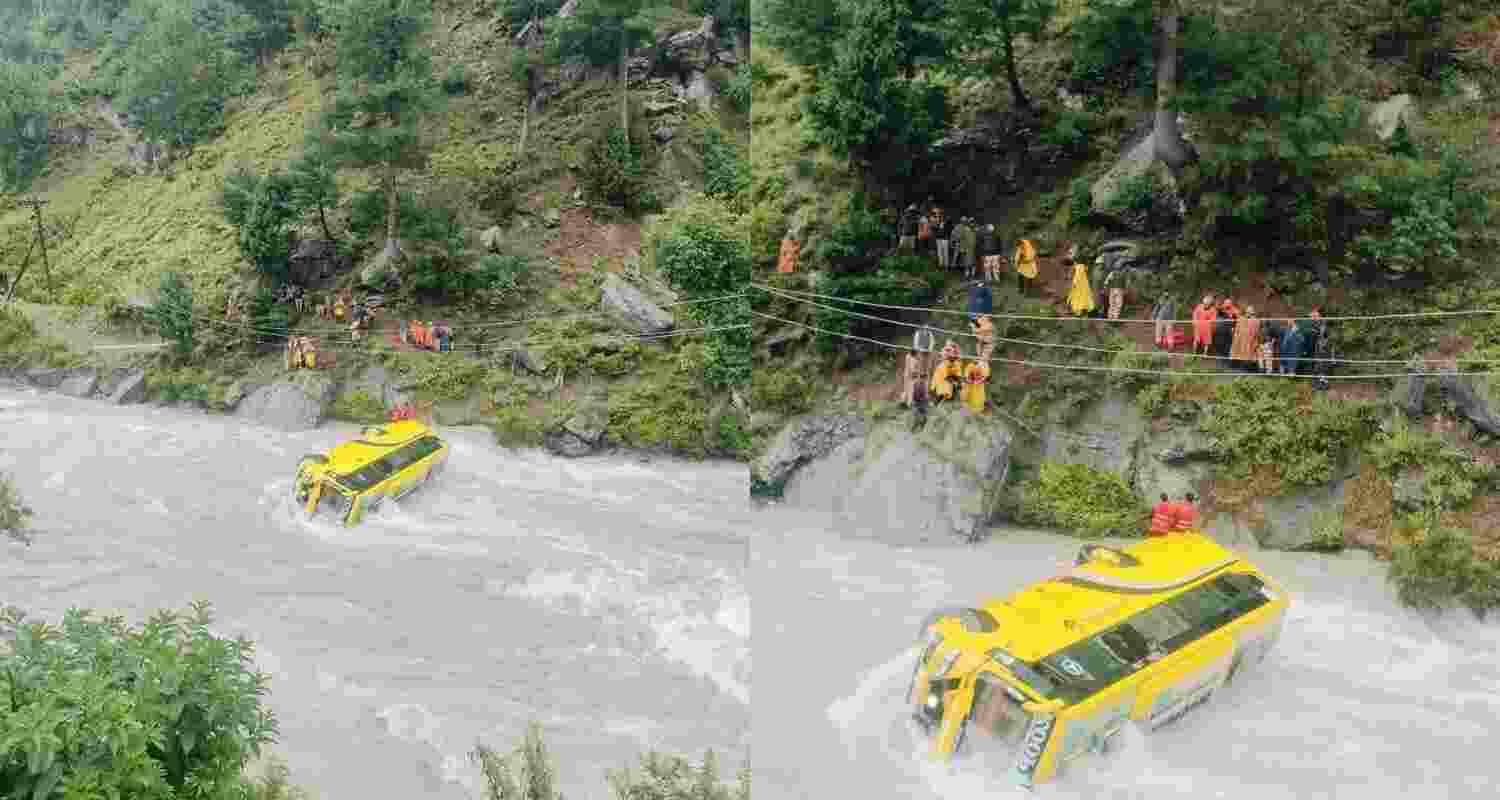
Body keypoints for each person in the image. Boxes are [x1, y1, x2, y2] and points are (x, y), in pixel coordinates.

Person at [1230, 305, 1260, 371]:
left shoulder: (1255, 321)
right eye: (1247, 313)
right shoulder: (1242, 319)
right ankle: (1243, 368)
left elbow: (1256, 332)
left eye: (1249, 313)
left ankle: (1250, 369)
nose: (1248, 314)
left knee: (1250, 355)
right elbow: (1237, 330)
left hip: (1250, 341)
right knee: (1242, 354)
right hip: (1242, 340)